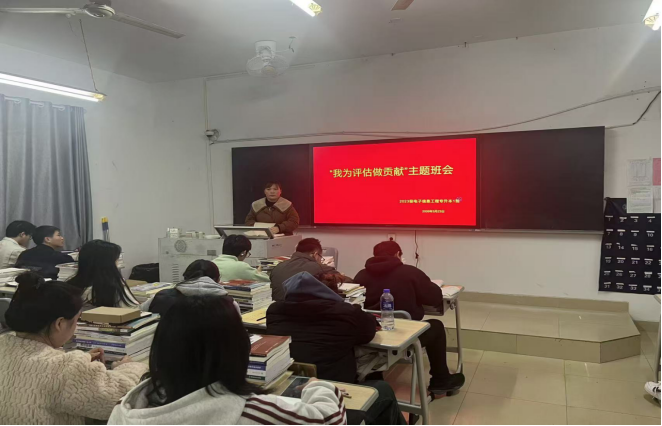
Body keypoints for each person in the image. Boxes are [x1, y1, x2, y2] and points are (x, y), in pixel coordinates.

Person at [108, 295, 347, 425]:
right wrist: (319, 387)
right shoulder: (248, 412)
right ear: (235, 348)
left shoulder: (126, 408)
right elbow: (332, 419)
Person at [0, 272, 148, 425]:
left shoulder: (3, 343)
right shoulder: (64, 369)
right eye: (77, 320)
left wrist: (82, 361)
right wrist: (128, 367)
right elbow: (121, 397)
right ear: (60, 324)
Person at [267, 272, 407, 425]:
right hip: (334, 391)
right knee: (383, 389)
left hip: (288, 389)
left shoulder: (274, 311)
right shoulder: (346, 312)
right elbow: (368, 332)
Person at [354, 241, 465, 395]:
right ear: (398, 254)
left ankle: (374, 377)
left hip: (371, 335)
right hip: (404, 338)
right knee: (436, 326)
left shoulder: (360, 275)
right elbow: (434, 298)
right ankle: (441, 380)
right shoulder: (410, 272)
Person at [145, 260, 241, 316]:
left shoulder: (160, 297)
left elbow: (139, 314)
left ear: (185, 277)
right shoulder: (230, 304)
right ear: (218, 280)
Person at [270, 238, 352, 302]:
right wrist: (341, 276)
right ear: (315, 254)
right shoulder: (320, 268)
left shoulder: (277, 267)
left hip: (279, 314)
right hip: (306, 314)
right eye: (321, 257)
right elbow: (350, 282)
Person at [68, 240, 140, 310]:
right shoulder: (110, 288)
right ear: (108, 264)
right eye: (117, 260)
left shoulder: (71, 286)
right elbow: (133, 311)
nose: (118, 263)